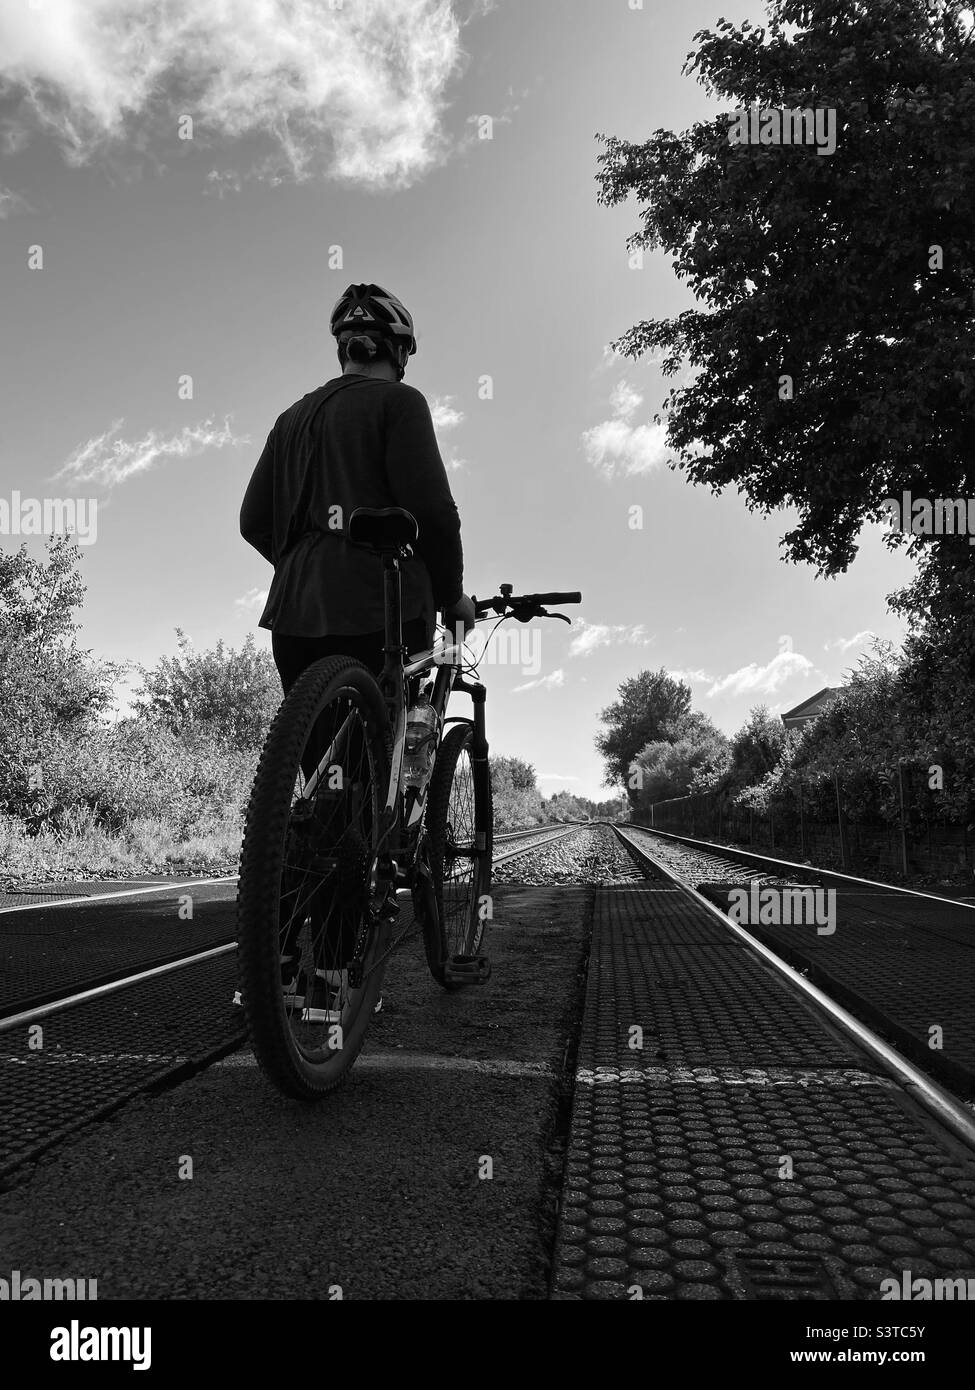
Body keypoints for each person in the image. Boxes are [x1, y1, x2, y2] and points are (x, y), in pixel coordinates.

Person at [237, 282, 475, 1019]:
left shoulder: (291, 417)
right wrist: (451, 598)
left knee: (316, 790)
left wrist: (303, 556)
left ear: (343, 348)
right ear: (400, 351)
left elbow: (252, 521)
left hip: (296, 618)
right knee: (362, 800)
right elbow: (433, 511)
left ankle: (274, 956)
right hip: (378, 603)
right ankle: (330, 984)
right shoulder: (399, 405)